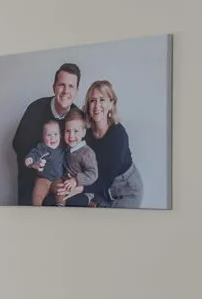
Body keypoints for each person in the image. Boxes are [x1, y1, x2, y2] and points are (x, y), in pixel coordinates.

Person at [58, 78, 142, 207]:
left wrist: (79, 187)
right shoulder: (86, 132)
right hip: (99, 191)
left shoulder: (118, 135)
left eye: (102, 100)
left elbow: (106, 177)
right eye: (93, 100)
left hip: (126, 190)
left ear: (111, 104)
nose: (97, 105)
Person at [11, 62, 81, 204]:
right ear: (54, 87)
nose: (66, 91)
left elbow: (80, 154)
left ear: (77, 91)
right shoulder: (35, 109)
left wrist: (75, 182)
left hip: (62, 180)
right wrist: (34, 164)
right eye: (61, 85)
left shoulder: (77, 117)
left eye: (71, 86)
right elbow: (19, 145)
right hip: (33, 179)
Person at [22, 118, 68, 206]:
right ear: (43, 137)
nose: (52, 138)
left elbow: (69, 159)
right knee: (37, 193)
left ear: (60, 135)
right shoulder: (42, 147)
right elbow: (34, 153)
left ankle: (60, 205)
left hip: (58, 178)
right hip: (43, 178)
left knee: (61, 190)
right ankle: (36, 207)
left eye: (55, 134)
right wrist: (30, 159)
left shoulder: (62, 148)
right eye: (49, 135)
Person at [59, 111, 98, 205]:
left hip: (83, 192)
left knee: (73, 203)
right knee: (52, 200)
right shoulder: (66, 148)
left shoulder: (86, 153)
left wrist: (76, 180)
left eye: (76, 131)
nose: (71, 135)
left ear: (83, 132)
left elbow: (93, 174)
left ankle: (90, 204)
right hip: (67, 186)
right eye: (68, 131)